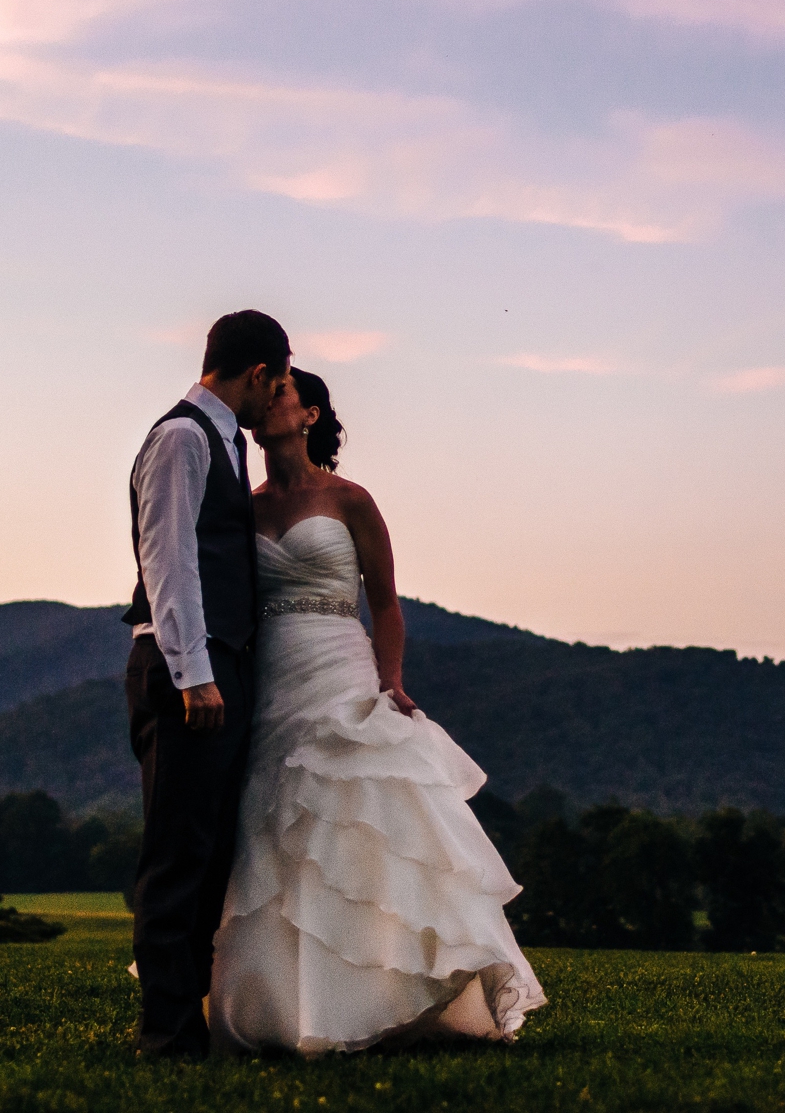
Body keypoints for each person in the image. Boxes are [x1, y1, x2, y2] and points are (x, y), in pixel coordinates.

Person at [210, 368, 545, 1054]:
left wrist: (390, 677)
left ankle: (392, 994)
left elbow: (387, 603)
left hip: (340, 668)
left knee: (363, 827)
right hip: (271, 677)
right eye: (266, 394)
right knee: (276, 830)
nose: (271, 403)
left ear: (311, 416)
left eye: (284, 395)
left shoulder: (350, 500)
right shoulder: (244, 507)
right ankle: (285, 1005)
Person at [123, 310, 290, 1060]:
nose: (278, 397)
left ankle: (194, 1023)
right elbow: (169, 561)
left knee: (211, 851)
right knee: (177, 854)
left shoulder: (222, 442)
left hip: (224, 664)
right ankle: (166, 1037)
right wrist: (195, 675)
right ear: (257, 374)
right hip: (190, 667)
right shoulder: (184, 437)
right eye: (278, 382)